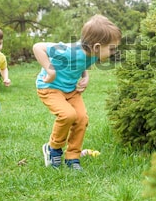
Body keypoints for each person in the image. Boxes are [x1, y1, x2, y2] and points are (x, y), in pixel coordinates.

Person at [33, 14, 121, 171]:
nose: (114, 52)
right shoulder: (68, 51)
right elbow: (38, 47)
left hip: (71, 90)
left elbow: (81, 65)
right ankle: (53, 148)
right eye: (112, 48)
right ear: (97, 47)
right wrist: (49, 70)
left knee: (81, 118)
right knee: (68, 115)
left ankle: (72, 157)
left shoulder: (94, 54)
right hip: (50, 87)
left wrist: (85, 76)